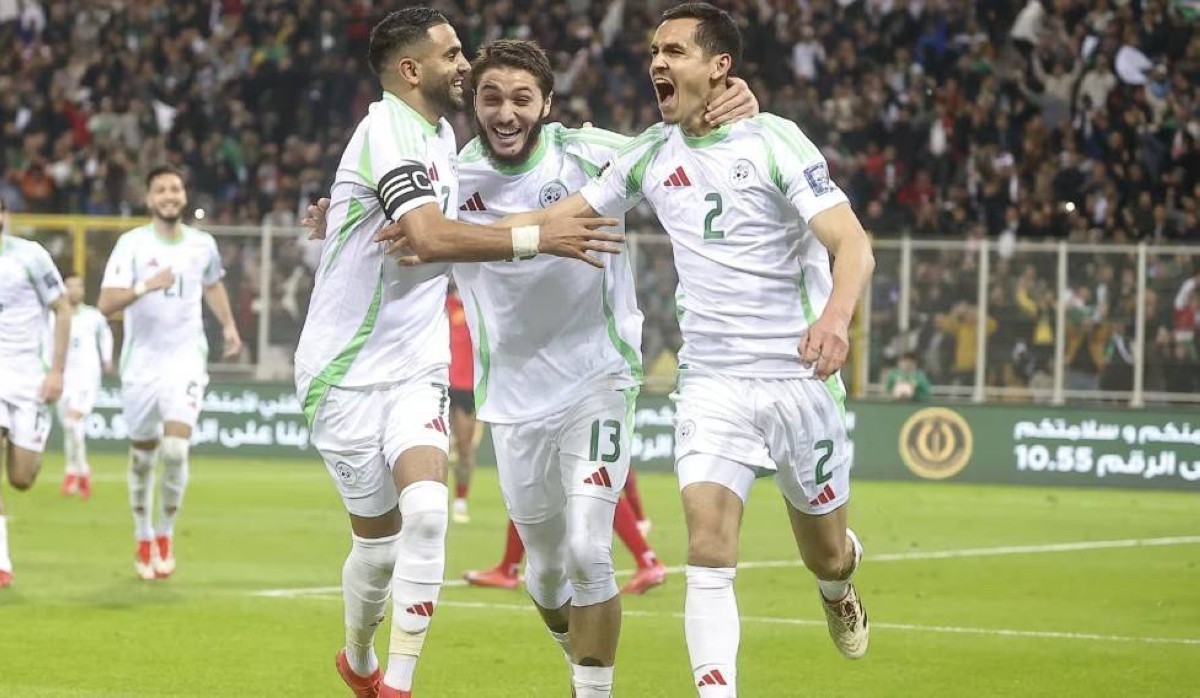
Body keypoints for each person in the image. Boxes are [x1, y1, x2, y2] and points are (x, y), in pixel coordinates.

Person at [471, 5, 876, 694]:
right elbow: (560, 213)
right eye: (655, 51)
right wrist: (445, 230)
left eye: (676, 51)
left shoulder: (775, 141)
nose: (658, 61)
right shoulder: (653, 155)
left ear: (720, 67)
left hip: (799, 375)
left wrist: (836, 320)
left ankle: (839, 589)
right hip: (712, 381)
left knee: (827, 554)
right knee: (708, 551)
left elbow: (854, 245)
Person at [292, 9, 623, 698]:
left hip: (418, 365)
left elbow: (461, 223)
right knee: (377, 549)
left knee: (429, 514)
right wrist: (541, 238)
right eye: (452, 54)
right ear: (412, 70)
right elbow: (431, 236)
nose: (464, 65)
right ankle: (359, 657)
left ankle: (398, 685)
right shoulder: (387, 131)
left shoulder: (442, 136)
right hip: (344, 373)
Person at [97, 165, 243, 581]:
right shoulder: (131, 245)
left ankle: (164, 533)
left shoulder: (202, 245)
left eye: (175, 188)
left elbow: (212, 284)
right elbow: (105, 303)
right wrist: (146, 285)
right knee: (143, 458)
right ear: (149, 199)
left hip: (185, 359)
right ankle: (142, 534)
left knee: (176, 450)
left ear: (184, 195)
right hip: (141, 364)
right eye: (160, 189)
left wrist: (229, 326)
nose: (169, 195)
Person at [0, 197, 71, 589]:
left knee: (21, 477)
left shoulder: (31, 256)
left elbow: (63, 309)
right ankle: (2, 561)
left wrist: (56, 371)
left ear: (4, 216)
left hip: (28, 378)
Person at [55, 273, 114, 500]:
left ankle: (76, 473)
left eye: (78, 286)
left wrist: (106, 358)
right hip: (63, 377)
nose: (74, 290)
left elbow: (106, 336)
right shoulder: (55, 316)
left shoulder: (93, 316)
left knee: (73, 422)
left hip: (87, 378)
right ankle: (78, 472)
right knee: (70, 428)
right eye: (69, 286)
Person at [446, 284, 477, 524]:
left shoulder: (478, 305)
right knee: (432, 445)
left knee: (465, 448)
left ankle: (460, 501)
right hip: (440, 381)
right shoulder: (441, 302)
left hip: (467, 386)